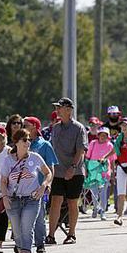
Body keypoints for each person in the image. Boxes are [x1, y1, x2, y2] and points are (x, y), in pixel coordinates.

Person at [0, 129, 52, 253]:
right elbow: (3, 181)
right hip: (13, 199)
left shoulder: (35, 157)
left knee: (27, 228)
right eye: (24, 140)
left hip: (32, 199)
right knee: (17, 230)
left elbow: (48, 173)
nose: (28, 142)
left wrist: (43, 186)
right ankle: (22, 251)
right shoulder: (8, 160)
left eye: (29, 139)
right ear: (16, 142)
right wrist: (4, 197)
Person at [46, 97, 88, 245]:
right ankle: (50, 235)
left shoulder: (79, 128)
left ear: (69, 110)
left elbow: (81, 150)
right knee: (55, 202)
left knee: (72, 203)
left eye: (60, 107)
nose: (57, 110)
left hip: (74, 172)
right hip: (57, 171)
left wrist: (73, 167)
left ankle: (72, 234)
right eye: (57, 107)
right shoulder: (55, 128)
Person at [23, 116, 58, 253]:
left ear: (34, 127)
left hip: (39, 187)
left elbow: (51, 167)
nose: (23, 126)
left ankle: (40, 243)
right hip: (23, 187)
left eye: (26, 125)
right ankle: (23, 243)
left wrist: (48, 184)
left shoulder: (45, 145)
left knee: (39, 215)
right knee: (23, 217)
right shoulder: (23, 143)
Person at [85, 127, 115, 221]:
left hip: (105, 172)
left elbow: (112, 160)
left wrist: (113, 172)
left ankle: (102, 211)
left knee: (103, 193)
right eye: (101, 135)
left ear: (107, 136)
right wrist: (86, 170)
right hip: (93, 172)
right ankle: (95, 208)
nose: (102, 137)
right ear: (98, 135)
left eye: (105, 135)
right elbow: (87, 158)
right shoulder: (93, 144)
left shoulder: (110, 145)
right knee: (94, 193)